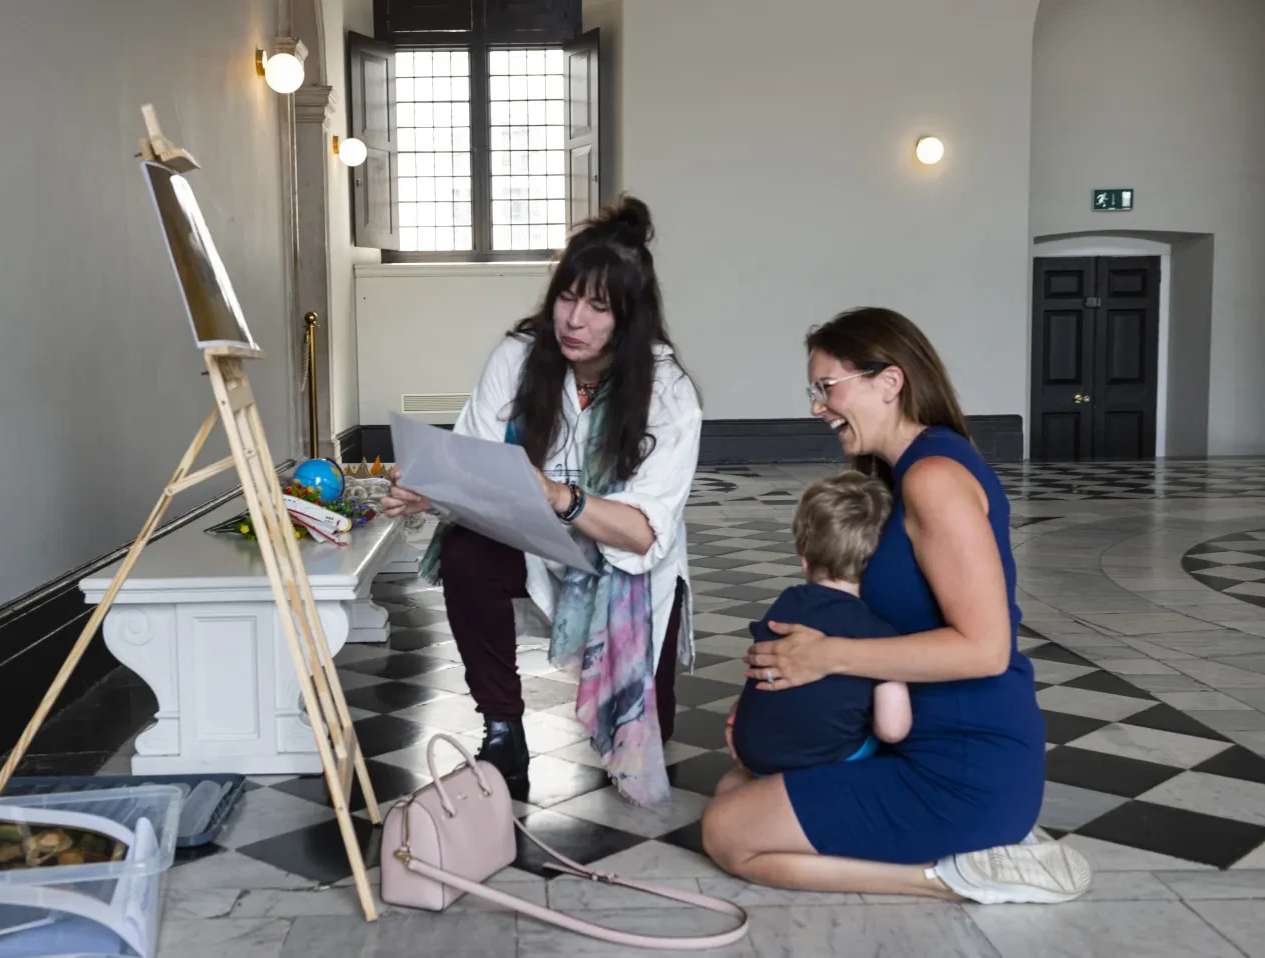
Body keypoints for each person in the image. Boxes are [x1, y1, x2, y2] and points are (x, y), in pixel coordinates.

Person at [700, 307, 1092, 904]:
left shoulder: (933, 477)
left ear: (890, 381)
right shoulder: (906, 469)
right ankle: (954, 854)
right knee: (735, 785)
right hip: (909, 741)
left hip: (964, 771)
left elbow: (986, 650)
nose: (816, 407)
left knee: (729, 834)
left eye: (827, 388)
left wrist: (827, 657)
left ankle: (955, 880)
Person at [380, 197, 702, 806]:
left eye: (598, 308)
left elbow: (642, 535)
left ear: (630, 320)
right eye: (566, 298)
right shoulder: (518, 358)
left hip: (627, 569)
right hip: (531, 545)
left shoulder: (669, 391)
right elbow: (473, 458)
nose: (573, 320)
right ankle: (503, 729)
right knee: (465, 556)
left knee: (643, 741)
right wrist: (431, 490)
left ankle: (624, 705)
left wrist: (558, 495)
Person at [726, 471, 911, 779]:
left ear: (804, 558)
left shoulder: (785, 604)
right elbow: (893, 729)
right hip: (826, 764)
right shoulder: (880, 631)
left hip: (756, 754)